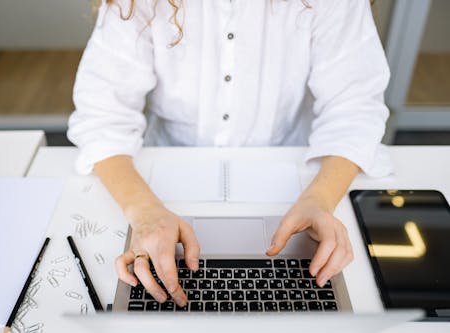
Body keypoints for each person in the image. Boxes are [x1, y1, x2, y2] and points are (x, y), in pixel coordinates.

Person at [67, 0, 392, 308]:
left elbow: (354, 107)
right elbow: (102, 115)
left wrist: (321, 199)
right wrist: (145, 213)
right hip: (162, 178)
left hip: (293, 178)